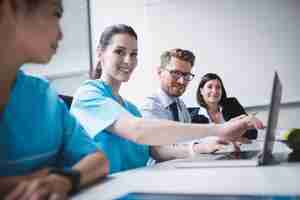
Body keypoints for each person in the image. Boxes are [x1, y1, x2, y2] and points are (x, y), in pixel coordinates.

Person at [70, 24, 263, 174]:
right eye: (119, 52)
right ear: (100, 53)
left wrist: (201, 147)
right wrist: (220, 129)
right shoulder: (89, 95)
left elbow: (157, 151)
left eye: (134, 54)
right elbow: (138, 131)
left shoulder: (131, 109)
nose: (129, 60)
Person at [0, 0, 108, 199]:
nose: (61, 34)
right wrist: (32, 180)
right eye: (56, 14)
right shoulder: (91, 92)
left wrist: (64, 179)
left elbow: (99, 160)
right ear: (11, 7)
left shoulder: (43, 96)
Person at [140, 49, 224, 162]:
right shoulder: (150, 107)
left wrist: (220, 138)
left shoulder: (181, 106)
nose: (182, 81)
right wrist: (200, 147)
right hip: (159, 172)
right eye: (175, 73)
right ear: (160, 72)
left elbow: (188, 139)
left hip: (181, 167)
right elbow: (158, 151)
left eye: (186, 75)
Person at [193, 73, 263, 143]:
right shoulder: (195, 117)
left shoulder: (232, 104)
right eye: (210, 87)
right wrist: (232, 136)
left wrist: (241, 125)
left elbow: (253, 134)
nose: (214, 91)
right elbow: (200, 143)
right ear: (201, 91)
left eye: (218, 87)